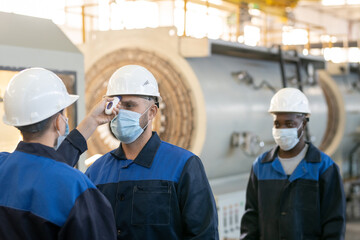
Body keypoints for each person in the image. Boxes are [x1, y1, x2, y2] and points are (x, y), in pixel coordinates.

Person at [85, 65, 219, 240]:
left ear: (152, 112)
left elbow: (203, 235)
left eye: (130, 105)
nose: (120, 112)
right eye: (115, 105)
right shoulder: (95, 172)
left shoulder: (183, 165)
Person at [0, 67, 117, 240]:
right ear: (58, 122)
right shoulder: (77, 188)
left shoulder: (3, 164)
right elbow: (52, 174)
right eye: (63, 112)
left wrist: (91, 122)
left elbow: (44, 169)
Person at [240, 88, 346, 240]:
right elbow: (251, 220)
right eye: (277, 124)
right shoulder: (261, 166)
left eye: (289, 124)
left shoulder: (324, 168)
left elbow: (334, 224)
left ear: (303, 124)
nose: (282, 130)